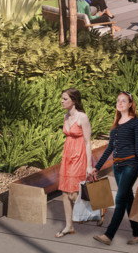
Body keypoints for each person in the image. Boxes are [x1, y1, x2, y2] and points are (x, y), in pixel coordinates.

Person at [92, 92, 138, 245]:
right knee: (128, 200)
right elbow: (109, 149)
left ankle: (108, 235)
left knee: (119, 199)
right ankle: (137, 234)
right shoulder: (116, 125)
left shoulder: (136, 123)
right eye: (118, 100)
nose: (120, 103)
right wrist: (97, 167)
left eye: (124, 101)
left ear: (130, 104)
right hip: (117, 167)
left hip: (130, 165)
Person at [54, 87, 93, 238]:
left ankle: (95, 208)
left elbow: (88, 142)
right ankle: (69, 226)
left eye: (65, 99)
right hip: (67, 156)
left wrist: (89, 165)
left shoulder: (82, 117)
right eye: (62, 98)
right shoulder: (65, 117)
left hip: (79, 156)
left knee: (74, 193)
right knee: (65, 192)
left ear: (74, 101)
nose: (62, 101)